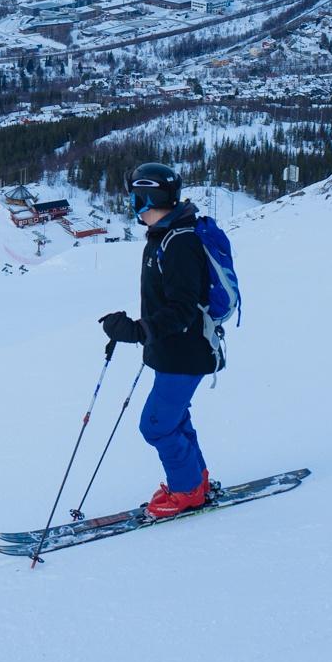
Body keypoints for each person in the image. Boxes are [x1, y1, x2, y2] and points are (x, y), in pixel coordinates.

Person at [100, 162, 220, 519]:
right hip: (172, 351)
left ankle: (187, 493)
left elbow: (182, 310)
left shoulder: (179, 241)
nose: (133, 204)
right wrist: (132, 327)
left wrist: (137, 331)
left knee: (156, 424)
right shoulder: (165, 235)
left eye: (136, 197)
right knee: (174, 418)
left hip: (186, 353)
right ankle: (194, 481)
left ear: (148, 197)